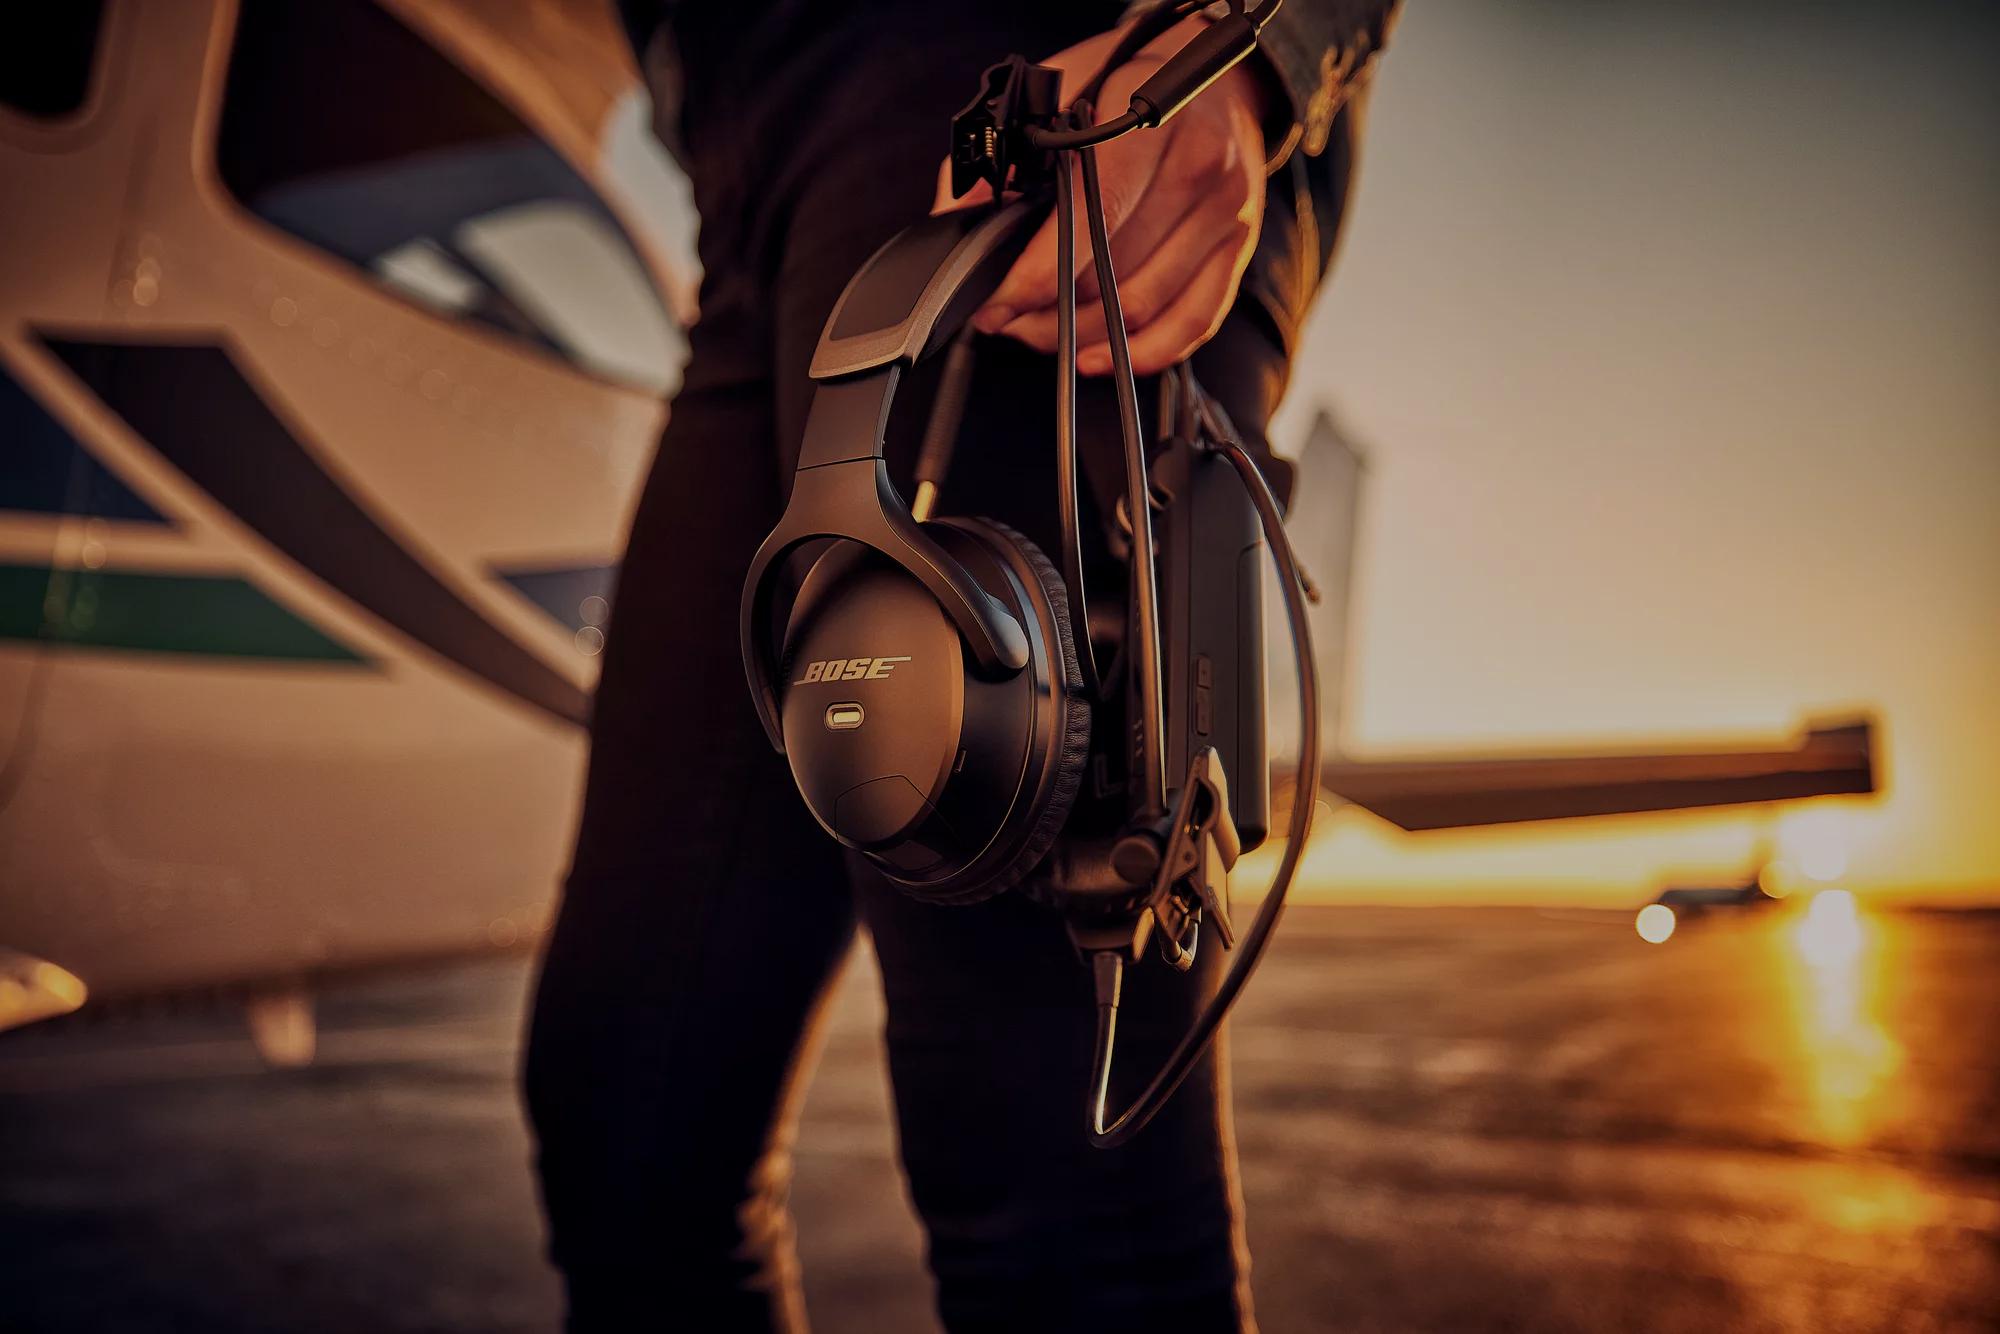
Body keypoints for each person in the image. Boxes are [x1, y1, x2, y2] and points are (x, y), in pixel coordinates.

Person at [523, 2, 1396, 1329]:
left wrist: (1255, 39)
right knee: (627, 1123)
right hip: (749, 148)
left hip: (1052, 79)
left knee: (1055, 1179)